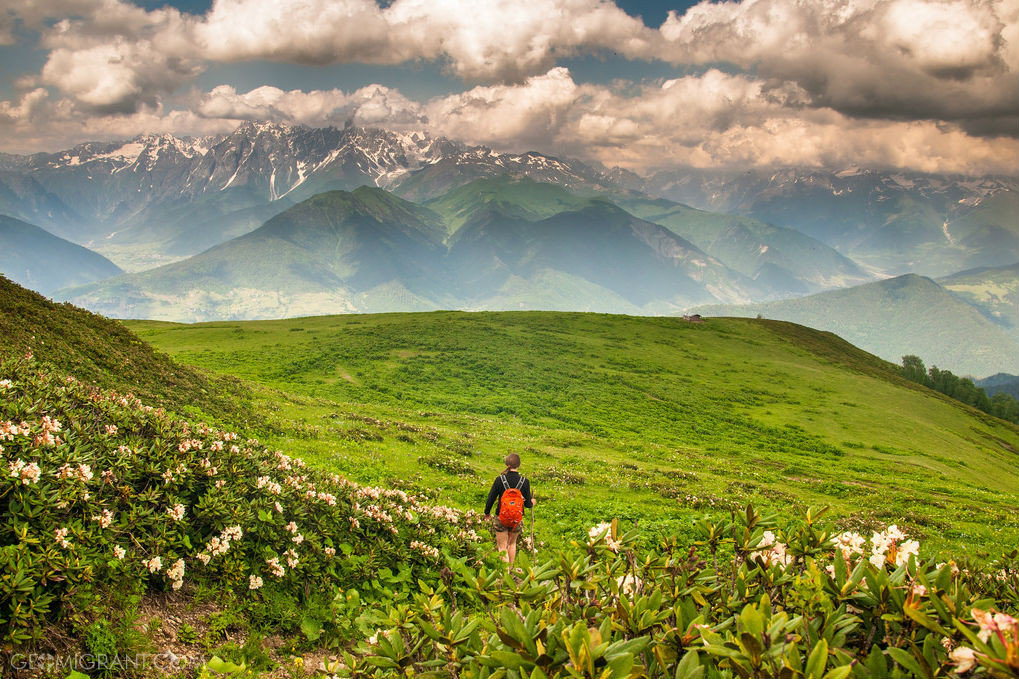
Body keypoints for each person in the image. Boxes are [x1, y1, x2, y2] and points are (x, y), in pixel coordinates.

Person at [483, 453, 535, 565]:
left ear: (507, 464)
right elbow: (527, 504)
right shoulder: (524, 482)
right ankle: (510, 573)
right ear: (519, 465)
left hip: (501, 517)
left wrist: (487, 513)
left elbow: (491, 498)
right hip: (516, 519)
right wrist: (532, 502)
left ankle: (504, 574)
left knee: (502, 547)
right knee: (512, 544)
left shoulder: (499, 480)